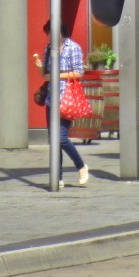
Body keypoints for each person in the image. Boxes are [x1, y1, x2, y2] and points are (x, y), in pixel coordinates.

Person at [33, 20, 90, 187]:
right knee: (54, 139)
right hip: (52, 98)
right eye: (48, 33)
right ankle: (57, 177)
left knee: (62, 138)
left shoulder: (73, 47)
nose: (49, 36)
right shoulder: (49, 49)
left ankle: (81, 166)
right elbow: (46, 75)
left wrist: (57, 76)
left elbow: (79, 72)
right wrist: (40, 69)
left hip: (67, 98)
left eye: (51, 32)